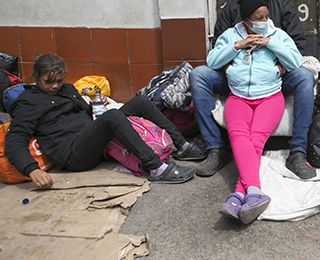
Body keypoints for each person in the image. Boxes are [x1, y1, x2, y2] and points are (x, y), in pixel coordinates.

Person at [190, 0, 317, 179]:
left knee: (305, 76)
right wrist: (230, 66)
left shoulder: (282, 7)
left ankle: (297, 152)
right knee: (199, 75)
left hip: (276, 75)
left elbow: (297, 47)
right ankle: (216, 149)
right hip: (236, 77)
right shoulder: (232, 8)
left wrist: (281, 66)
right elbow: (218, 46)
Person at [5, 54, 201, 188]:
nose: (55, 86)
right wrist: (31, 170)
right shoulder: (28, 102)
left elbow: (84, 115)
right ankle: (156, 168)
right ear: (36, 78)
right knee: (112, 116)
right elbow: (14, 141)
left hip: (90, 135)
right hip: (73, 154)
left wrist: (96, 106)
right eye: (49, 82)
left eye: (59, 80)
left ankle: (182, 145)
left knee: (140, 102)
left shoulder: (68, 90)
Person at [208, 0, 303, 223]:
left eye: (266, 16)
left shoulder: (276, 34)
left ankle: (240, 193)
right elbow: (212, 61)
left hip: (269, 98)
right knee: (238, 137)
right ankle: (253, 192)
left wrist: (270, 43)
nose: (264, 20)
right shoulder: (231, 35)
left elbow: (296, 61)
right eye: (258, 17)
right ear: (247, 20)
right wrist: (237, 46)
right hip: (238, 97)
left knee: (254, 141)